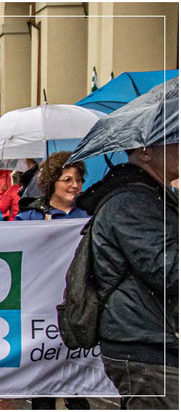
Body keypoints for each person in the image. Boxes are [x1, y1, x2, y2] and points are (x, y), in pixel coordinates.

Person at [75, 143, 178, 409]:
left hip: (155, 339)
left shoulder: (155, 196)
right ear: (144, 151)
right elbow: (169, 271)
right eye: (175, 144)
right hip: (146, 347)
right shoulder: (132, 202)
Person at [16, 152, 88, 221]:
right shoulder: (29, 217)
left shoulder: (91, 212)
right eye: (67, 180)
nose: (75, 185)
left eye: (79, 180)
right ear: (51, 182)